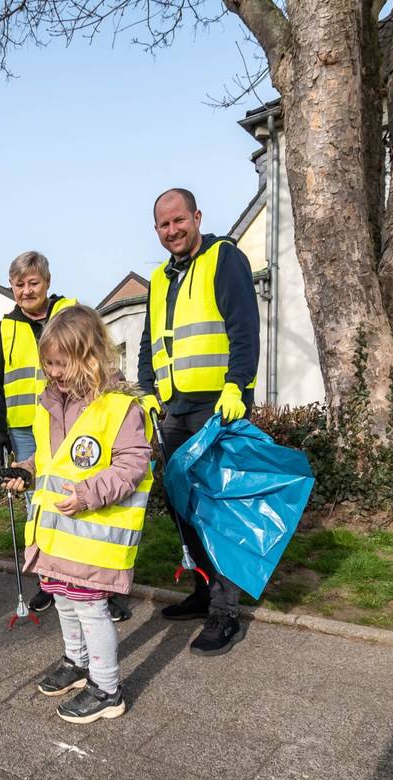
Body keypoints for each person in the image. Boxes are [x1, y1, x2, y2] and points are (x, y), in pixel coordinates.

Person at [3, 305, 153, 724]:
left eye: (60, 363)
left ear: (89, 356)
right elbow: (50, 460)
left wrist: (88, 494)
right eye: (48, 363)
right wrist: (25, 470)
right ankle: (76, 661)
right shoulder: (50, 403)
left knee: (90, 608)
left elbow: (132, 464)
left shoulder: (119, 406)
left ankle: (107, 687)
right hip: (56, 533)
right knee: (64, 600)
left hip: (93, 531)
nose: (53, 372)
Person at [137, 187, 259, 656]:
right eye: (164, 225)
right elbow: (150, 343)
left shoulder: (223, 258)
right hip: (174, 409)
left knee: (216, 510)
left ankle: (225, 613)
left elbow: (243, 327)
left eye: (179, 221)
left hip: (216, 406)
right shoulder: (159, 278)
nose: (172, 231)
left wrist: (239, 386)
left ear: (197, 217)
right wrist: (146, 392)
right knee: (183, 504)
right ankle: (203, 588)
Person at [0, 252, 131, 622]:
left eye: (33, 282)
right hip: (29, 427)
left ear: (46, 282)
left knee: (87, 498)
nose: (26, 290)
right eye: (18, 284)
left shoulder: (70, 312)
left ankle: (101, 584)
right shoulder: (5, 328)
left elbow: (97, 353)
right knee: (43, 503)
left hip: (80, 416)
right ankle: (50, 578)